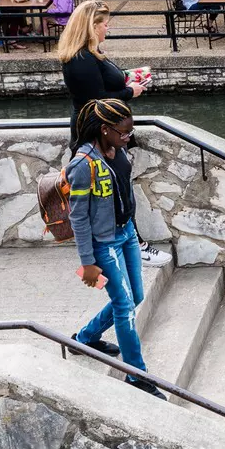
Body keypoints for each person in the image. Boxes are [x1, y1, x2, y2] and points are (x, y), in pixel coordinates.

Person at [66, 99, 154, 390]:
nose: (128, 136)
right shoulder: (83, 164)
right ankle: (136, 375)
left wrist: (135, 234)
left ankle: (85, 338)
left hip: (127, 233)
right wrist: (87, 262)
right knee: (124, 306)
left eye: (130, 132)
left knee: (135, 297)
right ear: (105, 130)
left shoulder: (119, 149)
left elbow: (123, 193)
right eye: (124, 132)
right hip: (104, 243)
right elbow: (78, 217)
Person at [59, 0, 145, 118]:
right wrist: (130, 92)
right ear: (94, 27)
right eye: (105, 24)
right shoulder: (82, 58)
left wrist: (128, 76)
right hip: (95, 127)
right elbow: (95, 100)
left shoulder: (90, 52)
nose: (107, 28)